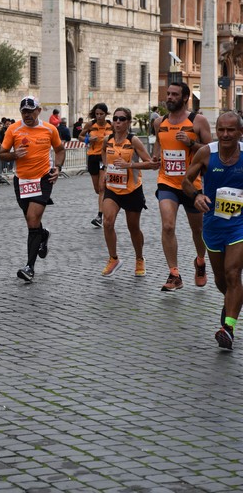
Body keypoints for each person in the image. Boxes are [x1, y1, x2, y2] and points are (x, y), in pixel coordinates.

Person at [182, 111, 243, 350]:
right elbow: (186, 181)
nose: (225, 134)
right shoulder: (207, 153)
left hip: (239, 224)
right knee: (221, 281)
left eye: (231, 130)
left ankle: (228, 328)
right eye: (221, 129)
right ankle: (231, 303)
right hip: (213, 224)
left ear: (240, 132)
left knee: (232, 272)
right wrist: (196, 196)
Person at [152, 81, 212, 291]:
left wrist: (190, 143)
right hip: (166, 181)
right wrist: (155, 157)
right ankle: (174, 274)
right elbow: (159, 145)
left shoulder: (198, 121)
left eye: (174, 94)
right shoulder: (160, 122)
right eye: (168, 94)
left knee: (198, 230)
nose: (169, 97)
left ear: (185, 98)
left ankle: (200, 261)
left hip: (191, 184)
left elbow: (210, 151)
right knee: (168, 226)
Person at [0, 95, 65, 282]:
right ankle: (43, 235)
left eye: (31, 110)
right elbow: (1, 154)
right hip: (22, 180)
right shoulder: (13, 129)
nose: (27, 115)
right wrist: (13, 155)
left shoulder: (49, 129)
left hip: (43, 178)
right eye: (24, 111)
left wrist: (57, 168)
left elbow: (60, 150)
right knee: (31, 221)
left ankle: (29, 267)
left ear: (38, 110)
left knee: (33, 218)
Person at [101, 107, 160, 277]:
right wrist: (105, 168)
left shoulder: (133, 141)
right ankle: (113, 258)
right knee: (108, 222)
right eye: (115, 118)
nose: (117, 122)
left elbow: (150, 164)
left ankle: (139, 258)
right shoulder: (108, 140)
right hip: (113, 188)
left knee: (133, 228)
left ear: (128, 122)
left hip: (132, 189)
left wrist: (130, 165)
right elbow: (103, 154)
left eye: (121, 119)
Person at [79, 103, 112, 227]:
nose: (99, 116)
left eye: (101, 114)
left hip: (104, 157)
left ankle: (100, 216)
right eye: (97, 114)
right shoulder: (90, 125)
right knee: (97, 189)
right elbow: (80, 136)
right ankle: (106, 201)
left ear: (106, 114)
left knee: (102, 186)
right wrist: (88, 140)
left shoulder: (111, 125)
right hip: (92, 157)